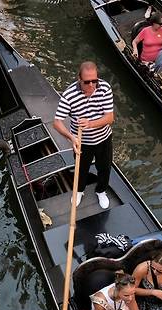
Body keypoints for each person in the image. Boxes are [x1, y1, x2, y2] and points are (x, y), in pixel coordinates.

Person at [54, 61, 114, 209]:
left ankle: (101, 191)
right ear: (79, 79)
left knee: (104, 167)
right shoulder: (69, 95)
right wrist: (71, 137)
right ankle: (79, 191)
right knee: (81, 169)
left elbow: (110, 118)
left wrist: (90, 124)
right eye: (87, 82)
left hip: (103, 139)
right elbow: (57, 122)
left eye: (95, 80)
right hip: (82, 141)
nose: (92, 85)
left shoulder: (104, 88)